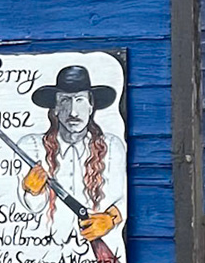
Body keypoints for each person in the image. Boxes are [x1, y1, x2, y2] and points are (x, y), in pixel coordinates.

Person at [19, 64, 126, 252]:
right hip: (41, 254)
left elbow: (124, 198)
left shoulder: (113, 147)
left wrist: (110, 218)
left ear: (91, 106)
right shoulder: (31, 147)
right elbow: (30, 211)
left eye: (80, 100)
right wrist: (32, 192)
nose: (73, 112)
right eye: (65, 101)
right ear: (55, 108)